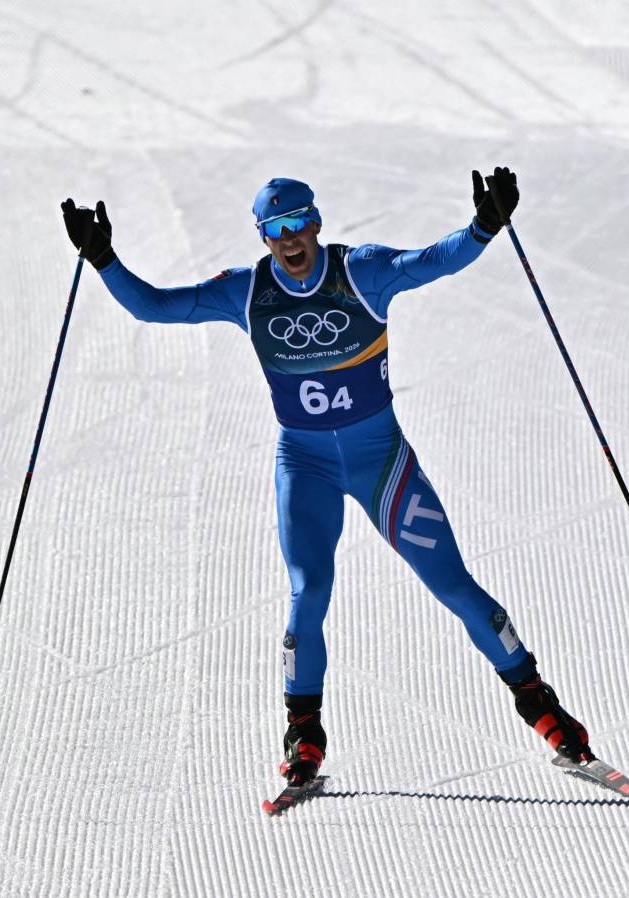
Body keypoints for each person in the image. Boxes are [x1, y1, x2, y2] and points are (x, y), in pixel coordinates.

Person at [61, 169, 592, 786]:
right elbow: (155, 308)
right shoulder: (246, 291)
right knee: (308, 592)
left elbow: (433, 262)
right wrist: (103, 259)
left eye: (297, 224)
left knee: (453, 584)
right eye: (274, 229)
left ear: (316, 221)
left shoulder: (360, 272)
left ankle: (541, 705)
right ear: (262, 237)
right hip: (305, 465)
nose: (289, 239)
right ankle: (303, 735)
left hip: (381, 463)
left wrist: (484, 227)